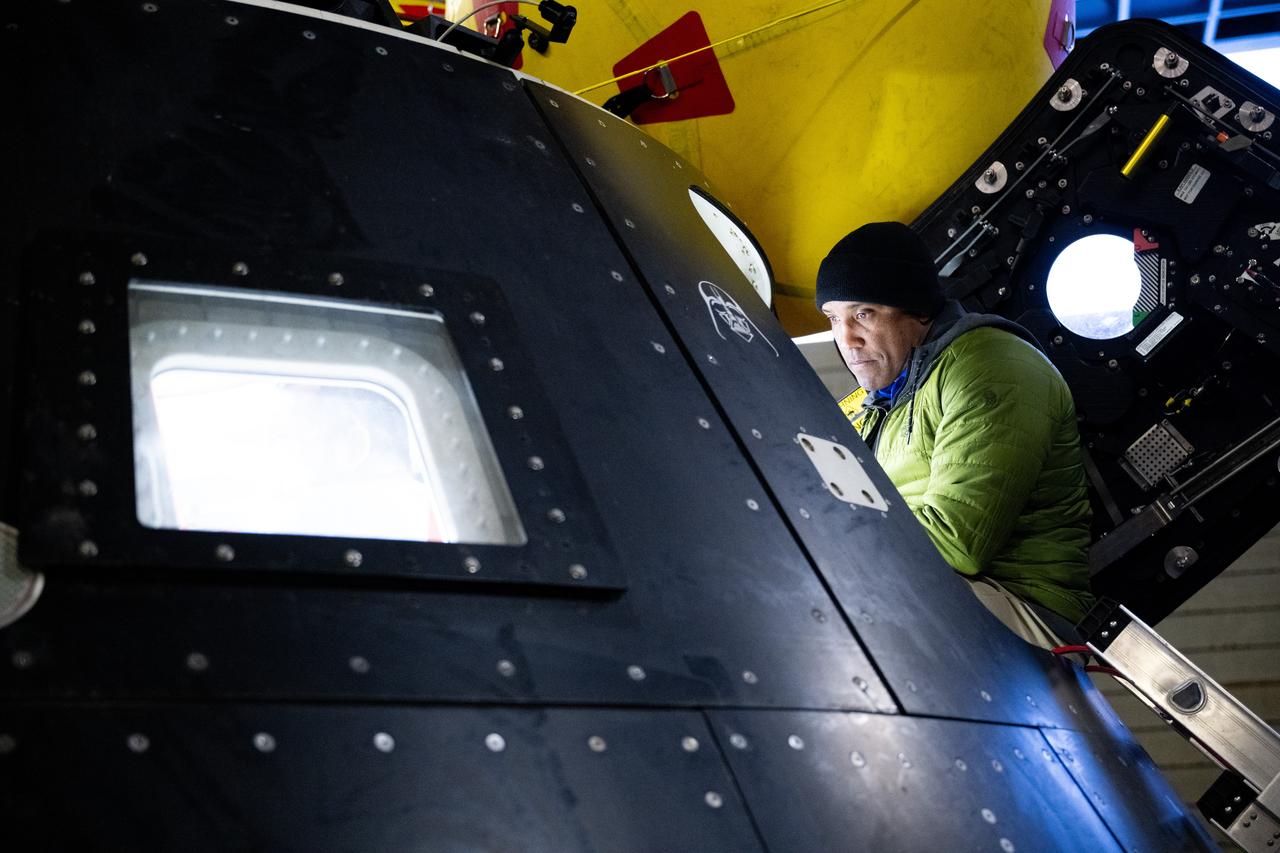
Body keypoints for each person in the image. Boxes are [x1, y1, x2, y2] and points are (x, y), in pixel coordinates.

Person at [816, 221, 1094, 646]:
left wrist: (819, 533)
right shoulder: (879, 399)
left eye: (863, 314)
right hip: (941, 593)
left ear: (917, 310)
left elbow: (957, 541)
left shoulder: (992, 367)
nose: (847, 339)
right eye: (834, 319)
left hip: (1023, 608)